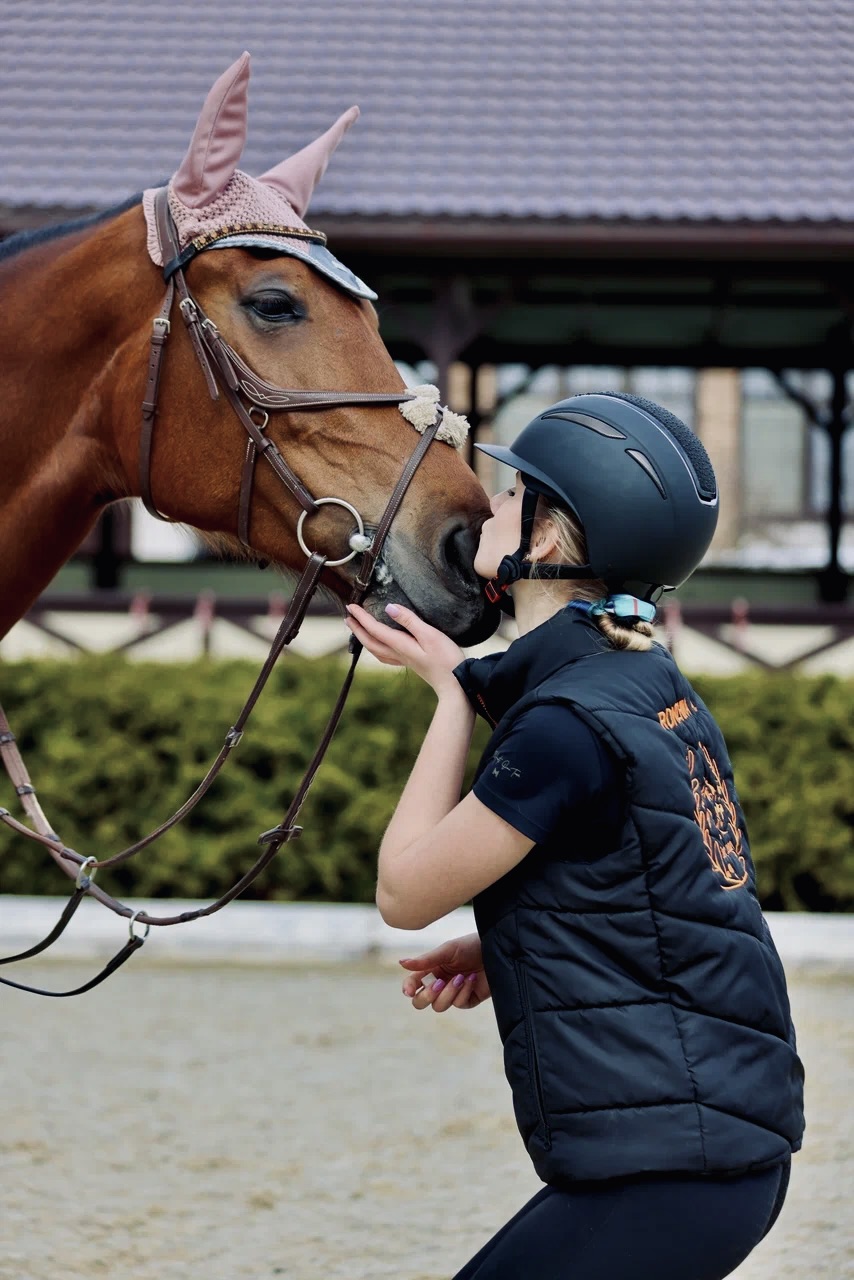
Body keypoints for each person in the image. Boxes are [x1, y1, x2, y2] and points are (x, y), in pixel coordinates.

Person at [345, 392, 804, 1280]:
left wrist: (450, 698)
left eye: (514, 495)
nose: (489, 503)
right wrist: (518, 935)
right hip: (710, 1158)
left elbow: (403, 892)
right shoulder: (643, 679)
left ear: (548, 542)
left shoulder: (563, 727)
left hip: (671, 1167)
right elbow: (665, 880)